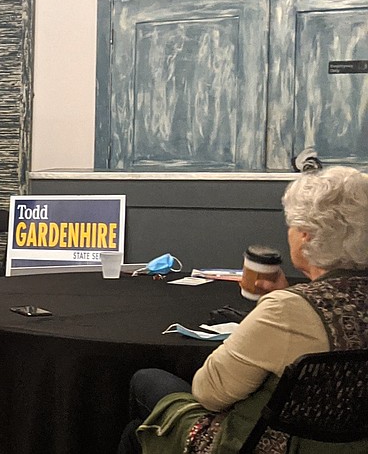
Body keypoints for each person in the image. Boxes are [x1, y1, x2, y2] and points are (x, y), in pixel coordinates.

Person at [119, 165, 368, 454]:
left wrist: (280, 303)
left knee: (144, 389)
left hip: (264, 445)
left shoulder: (287, 311)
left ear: (306, 236)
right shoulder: (296, 304)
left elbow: (210, 392)